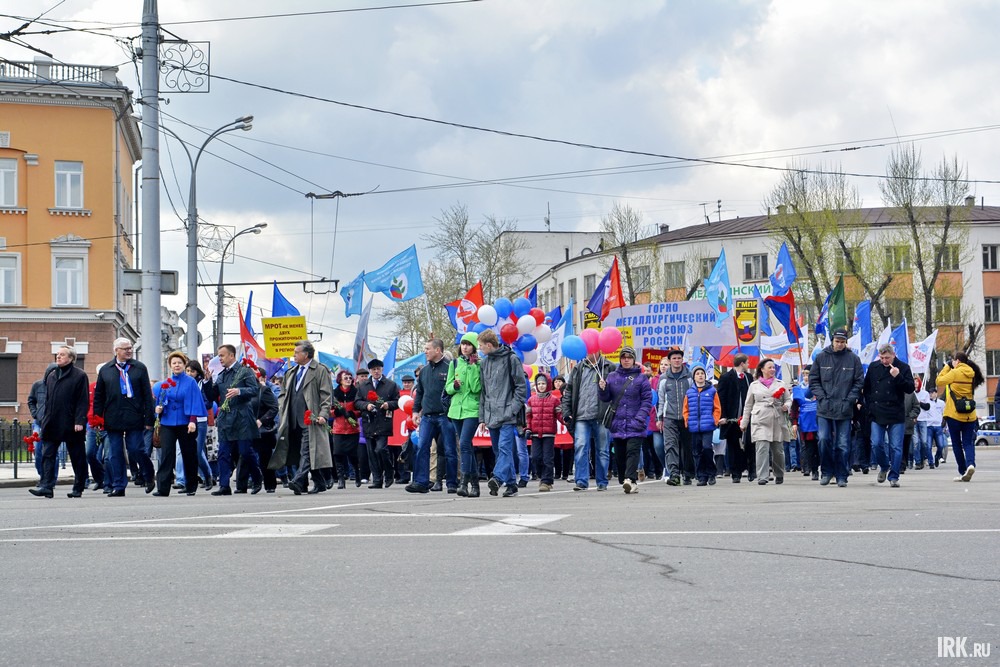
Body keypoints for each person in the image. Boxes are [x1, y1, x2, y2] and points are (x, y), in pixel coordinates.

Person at [93, 337, 156, 496]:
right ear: (116, 351)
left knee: (136, 450)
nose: (129, 351)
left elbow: (147, 396)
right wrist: (97, 418)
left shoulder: (139, 368)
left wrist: (149, 419)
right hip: (112, 417)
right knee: (114, 453)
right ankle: (119, 485)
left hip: (134, 415)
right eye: (125, 348)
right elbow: (99, 395)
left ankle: (148, 475)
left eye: (130, 348)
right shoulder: (106, 369)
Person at [271, 340, 333, 494]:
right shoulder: (291, 371)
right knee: (299, 451)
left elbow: (326, 395)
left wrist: (323, 414)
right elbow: (283, 393)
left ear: (306, 354)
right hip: (292, 418)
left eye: (297, 352)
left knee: (306, 450)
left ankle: (298, 480)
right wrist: (282, 408)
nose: (294, 355)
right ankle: (319, 483)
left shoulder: (319, 370)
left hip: (310, 419)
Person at [28, 347, 89, 498]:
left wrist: (80, 420)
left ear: (71, 358)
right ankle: (47, 486)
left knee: (77, 456)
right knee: (47, 454)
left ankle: (78, 487)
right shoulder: (52, 375)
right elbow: (48, 399)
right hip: (51, 422)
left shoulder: (79, 375)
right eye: (58, 354)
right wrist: (43, 418)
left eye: (62, 355)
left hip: (71, 422)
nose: (58, 357)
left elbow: (83, 401)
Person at [809, 328, 864, 487]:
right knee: (824, 440)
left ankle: (842, 475)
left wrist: (850, 399)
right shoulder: (821, 357)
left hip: (844, 407)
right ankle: (826, 472)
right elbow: (814, 380)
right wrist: (822, 397)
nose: (839, 344)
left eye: (842, 342)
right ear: (832, 341)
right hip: (824, 407)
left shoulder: (853, 359)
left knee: (843, 444)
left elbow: (859, 381)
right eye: (837, 341)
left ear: (846, 342)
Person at [207, 345, 264, 495]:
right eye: (219, 356)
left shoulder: (244, 371)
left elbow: (255, 390)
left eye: (222, 355)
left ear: (231, 356)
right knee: (223, 453)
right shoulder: (221, 375)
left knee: (245, 452)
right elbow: (212, 396)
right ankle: (224, 486)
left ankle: (257, 477)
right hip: (226, 419)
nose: (220, 358)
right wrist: (207, 382)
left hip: (242, 418)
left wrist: (239, 391)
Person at [477, 329, 527, 498]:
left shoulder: (511, 359)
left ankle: (497, 478)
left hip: (507, 414)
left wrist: (512, 409)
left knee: (505, 448)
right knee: (500, 452)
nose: (480, 350)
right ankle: (512, 484)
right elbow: (483, 392)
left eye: (481, 346)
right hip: (491, 415)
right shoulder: (484, 364)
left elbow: (521, 388)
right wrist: (482, 417)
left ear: (489, 345)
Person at [151, 351, 207, 496]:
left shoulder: (190, 382)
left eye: (179, 363)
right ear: (170, 366)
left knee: (189, 454)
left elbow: (195, 401)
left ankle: (190, 486)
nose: (177, 365)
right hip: (168, 422)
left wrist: (192, 421)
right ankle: (163, 488)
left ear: (184, 365)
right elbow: (161, 401)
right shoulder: (166, 383)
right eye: (174, 363)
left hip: (185, 422)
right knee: (166, 454)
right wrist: (158, 409)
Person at [598, 346, 652, 494]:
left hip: (635, 423)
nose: (626, 360)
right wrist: (602, 389)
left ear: (634, 359)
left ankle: (629, 479)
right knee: (620, 455)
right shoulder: (612, 377)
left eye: (629, 357)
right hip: (617, 423)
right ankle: (628, 480)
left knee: (632, 452)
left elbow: (647, 400)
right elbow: (605, 398)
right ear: (620, 359)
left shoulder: (641, 378)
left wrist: (640, 417)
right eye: (624, 357)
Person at [408, 339, 458, 494]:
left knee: (449, 450)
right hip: (428, 417)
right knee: (422, 448)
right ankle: (422, 482)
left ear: (438, 350)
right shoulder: (423, 371)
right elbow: (420, 393)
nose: (425, 351)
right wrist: (416, 411)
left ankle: (452, 483)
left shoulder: (450, 367)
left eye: (428, 348)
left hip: (446, 416)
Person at [561, 349, 615, 491]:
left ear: (597, 350)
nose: (587, 352)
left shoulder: (609, 367)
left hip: (601, 416)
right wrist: (566, 412)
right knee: (580, 448)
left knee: (602, 450)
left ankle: (602, 481)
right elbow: (569, 392)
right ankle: (581, 481)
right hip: (581, 416)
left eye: (590, 349)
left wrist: (607, 388)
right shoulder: (578, 369)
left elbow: (617, 391)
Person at [864, 343, 915, 488]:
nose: (885, 361)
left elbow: (910, 388)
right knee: (876, 443)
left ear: (893, 355)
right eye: (882, 358)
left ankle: (894, 476)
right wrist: (870, 404)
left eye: (887, 358)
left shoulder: (903, 367)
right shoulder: (874, 367)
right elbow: (866, 388)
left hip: (896, 411)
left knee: (896, 447)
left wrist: (898, 376)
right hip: (877, 411)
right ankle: (884, 465)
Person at [936, 351, 985, 482]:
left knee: (957, 444)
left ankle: (962, 471)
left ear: (957, 361)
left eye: (953, 360)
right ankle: (970, 464)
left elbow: (939, 381)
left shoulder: (954, 373)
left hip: (954, 414)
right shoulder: (972, 373)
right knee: (968, 443)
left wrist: (947, 367)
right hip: (969, 414)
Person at [740, 358, 791, 485]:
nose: (772, 369)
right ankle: (762, 476)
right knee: (761, 447)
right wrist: (744, 422)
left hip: (776, 418)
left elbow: (789, 400)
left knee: (778, 450)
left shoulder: (780, 383)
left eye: (774, 367)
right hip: (760, 418)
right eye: (770, 367)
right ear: (762, 369)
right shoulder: (754, 385)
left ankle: (779, 473)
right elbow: (748, 405)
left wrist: (786, 406)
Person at [446, 332, 482, 497]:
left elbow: (476, 388)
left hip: (471, 410)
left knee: (465, 444)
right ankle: (475, 486)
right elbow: (448, 388)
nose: (465, 347)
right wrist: (455, 385)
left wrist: (474, 367)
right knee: (466, 446)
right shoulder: (454, 363)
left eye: (468, 344)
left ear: (474, 346)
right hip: (455, 410)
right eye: (463, 344)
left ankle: (464, 483)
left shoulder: (479, 364)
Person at [355, 358, 401, 489]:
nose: (376, 371)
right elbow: (357, 402)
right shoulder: (363, 386)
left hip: (383, 421)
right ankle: (377, 479)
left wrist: (388, 404)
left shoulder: (390, 385)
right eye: (374, 369)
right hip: (369, 422)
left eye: (378, 369)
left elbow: (398, 401)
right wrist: (366, 405)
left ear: (382, 370)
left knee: (381, 449)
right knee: (371, 452)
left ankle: (389, 472)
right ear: (370, 371)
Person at [657, 348, 694, 486]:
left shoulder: (689, 377)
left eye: (679, 358)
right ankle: (674, 474)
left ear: (682, 360)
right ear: (670, 360)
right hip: (670, 417)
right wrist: (659, 418)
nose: (677, 360)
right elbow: (660, 399)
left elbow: (693, 397)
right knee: (670, 446)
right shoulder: (663, 378)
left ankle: (688, 474)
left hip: (687, 418)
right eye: (674, 358)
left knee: (687, 447)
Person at [240, 370, 279, 493]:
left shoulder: (263, 390)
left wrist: (261, 420)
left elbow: (274, 407)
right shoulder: (241, 391)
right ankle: (243, 485)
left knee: (265, 457)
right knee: (244, 455)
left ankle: (270, 484)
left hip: (261, 430)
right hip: (245, 428)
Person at [682, 363, 721, 486]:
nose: (700, 376)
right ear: (694, 377)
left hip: (707, 425)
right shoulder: (689, 392)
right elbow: (685, 409)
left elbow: (717, 408)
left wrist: (714, 420)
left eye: (702, 373)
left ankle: (711, 473)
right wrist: (687, 420)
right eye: (697, 374)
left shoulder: (712, 391)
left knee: (707, 448)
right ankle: (701, 476)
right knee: (697, 451)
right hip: (694, 426)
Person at [717, 353, 753, 483]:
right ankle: (735, 472)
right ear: (742, 364)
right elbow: (721, 398)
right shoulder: (726, 377)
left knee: (748, 444)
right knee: (733, 446)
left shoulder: (749, 378)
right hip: (732, 419)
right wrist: (723, 416)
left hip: (747, 418)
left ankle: (750, 469)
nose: (749, 365)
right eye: (747, 363)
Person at [526, 373, 561, 492]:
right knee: (535, 457)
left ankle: (546, 481)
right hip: (535, 434)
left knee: (548, 458)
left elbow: (560, 415)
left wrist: (567, 420)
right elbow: (528, 417)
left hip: (548, 434)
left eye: (543, 383)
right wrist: (528, 429)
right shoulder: (531, 400)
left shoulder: (554, 400)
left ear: (548, 385)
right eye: (539, 384)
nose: (541, 386)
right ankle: (542, 475)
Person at [184, 360, 216, 490]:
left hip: (200, 420)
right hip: (184, 420)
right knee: (187, 452)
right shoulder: (182, 383)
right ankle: (190, 481)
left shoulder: (201, 383)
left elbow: (209, 401)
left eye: (192, 371)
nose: (190, 373)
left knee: (197, 451)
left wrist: (208, 383)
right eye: (188, 371)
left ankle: (208, 476)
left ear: (198, 372)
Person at [331, 369, 362, 490]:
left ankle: (357, 473)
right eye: (346, 378)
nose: (348, 380)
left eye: (350, 378)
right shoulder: (334, 394)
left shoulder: (356, 393)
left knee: (352, 455)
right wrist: (336, 412)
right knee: (337, 453)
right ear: (340, 380)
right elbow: (329, 410)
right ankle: (341, 479)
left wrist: (353, 414)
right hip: (338, 429)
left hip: (352, 429)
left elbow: (360, 409)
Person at [791, 369, 819, 480]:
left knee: (821, 447)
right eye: (805, 374)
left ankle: (824, 469)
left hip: (820, 423)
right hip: (807, 425)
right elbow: (794, 408)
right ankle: (813, 469)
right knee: (809, 448)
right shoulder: (798, 390)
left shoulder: (820, 388)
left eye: (809, 374)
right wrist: (794, 422)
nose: (807, 377)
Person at [551, 375, 573, 482]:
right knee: (555, 452)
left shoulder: (570, 399)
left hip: (566, 428)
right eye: (556, 381)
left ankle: (566, 472)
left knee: (567, 452)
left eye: (560, 381)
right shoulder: (553, 397)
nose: (558, 383)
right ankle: (557, 472)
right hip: (557, 428)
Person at [926, 389, 947, 465]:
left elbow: (944, 414)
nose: (931, 394)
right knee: (928, 446)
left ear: (936, 394)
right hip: (929, 426)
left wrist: (944, 424)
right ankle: (931, 462)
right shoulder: (927, 402)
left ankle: (937, 457)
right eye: (930, 393)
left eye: (932, 393)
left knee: (941, 445)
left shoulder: (941, 403)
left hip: (938, 426)